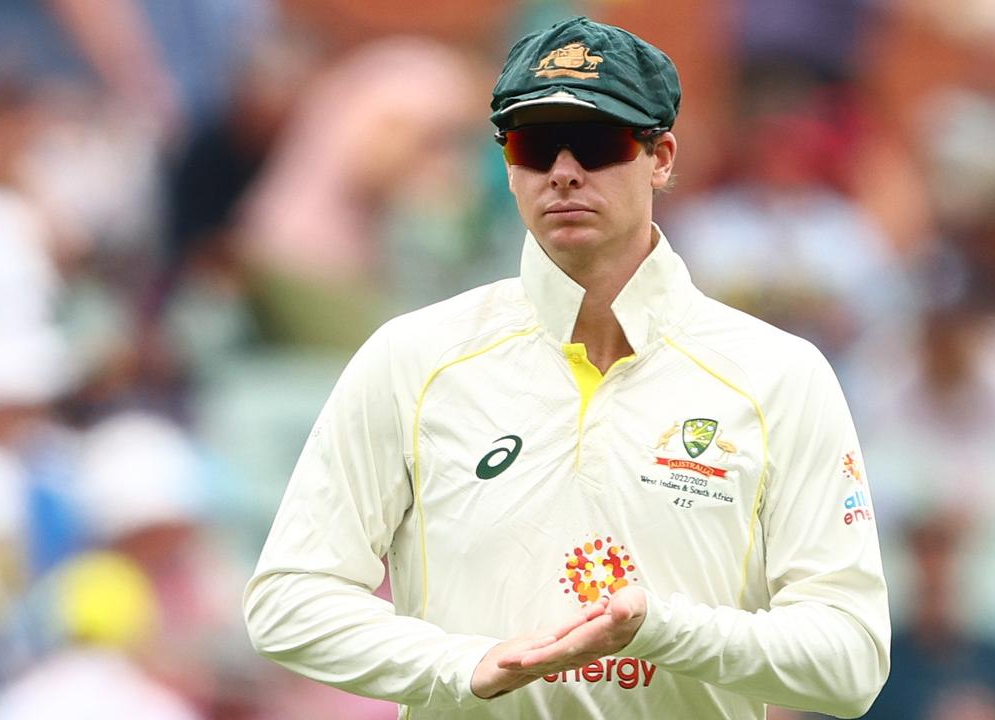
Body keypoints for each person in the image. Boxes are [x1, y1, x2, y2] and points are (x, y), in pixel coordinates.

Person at [244, 16, 889, 719]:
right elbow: (287, 601)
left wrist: (661, 630)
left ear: (662, 156)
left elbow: (850, 661)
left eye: (596, 142)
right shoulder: (412, 358)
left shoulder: (778, 375)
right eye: (533, 144)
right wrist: (458, 664)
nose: (562, 172)